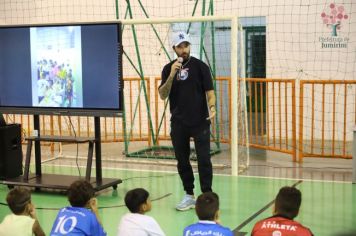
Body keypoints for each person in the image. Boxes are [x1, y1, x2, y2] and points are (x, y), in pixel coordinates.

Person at [159, 31, 216, 211]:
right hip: (179, 123)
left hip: (200, 121)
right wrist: (171, 76)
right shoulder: (168, 68)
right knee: (182, 160)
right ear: (174, 48)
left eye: (186, 45)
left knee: (204, 159)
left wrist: (212, 108)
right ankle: (189, 195)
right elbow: (162, 94)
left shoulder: (201, 67)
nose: (184, 49)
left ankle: (207, 195)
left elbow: (210, 92)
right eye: (180, 46)